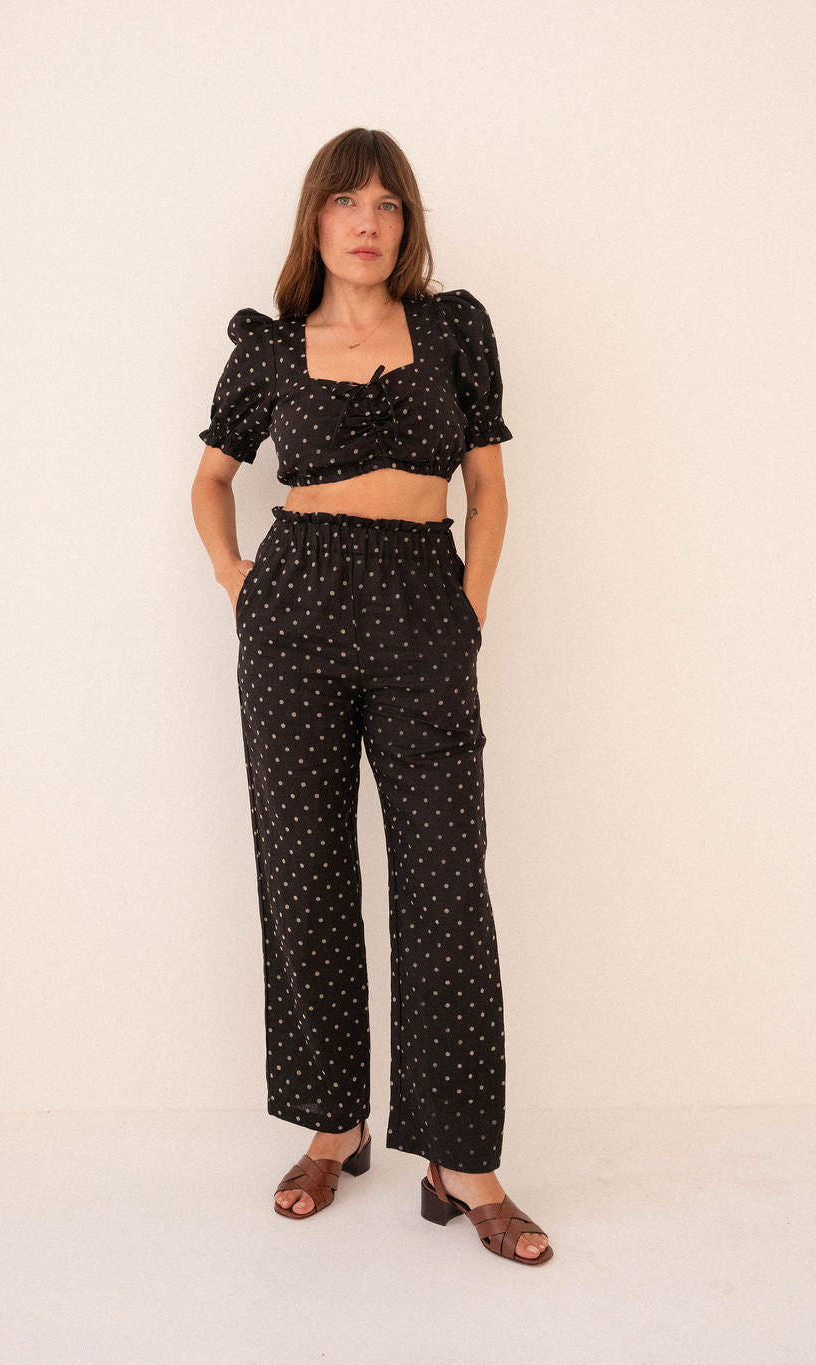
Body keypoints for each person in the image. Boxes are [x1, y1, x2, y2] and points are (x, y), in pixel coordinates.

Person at [190, 127, 552, 1266]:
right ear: (315, 222)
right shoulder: (271, 347)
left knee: (447, 878)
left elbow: (486, 485)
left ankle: (461, 1159)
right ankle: (331, 1124)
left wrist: (471, 605)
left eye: (388, 205)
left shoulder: (453, 328)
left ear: (407, 226)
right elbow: (212, 478)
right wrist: (240, 583)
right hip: (293, 608)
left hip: (420, 602)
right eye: (345, 202)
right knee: (302, 870)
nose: (367, 221)